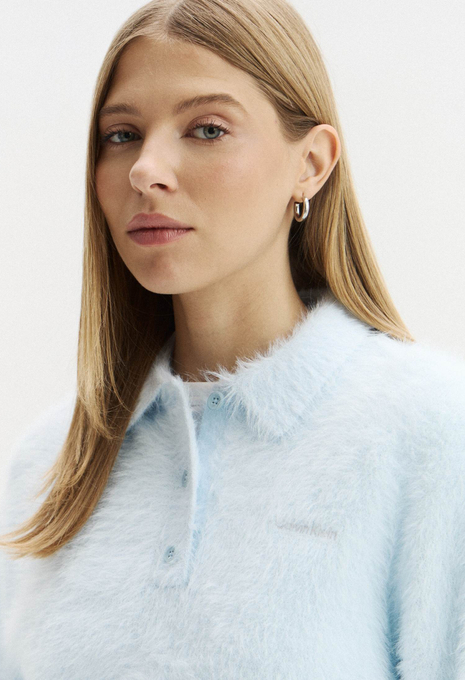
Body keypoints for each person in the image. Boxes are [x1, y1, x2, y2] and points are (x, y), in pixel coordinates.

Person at [1, 0, 465, 677]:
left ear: (311, 163)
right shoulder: (48, 466)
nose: (145, 169)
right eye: (121, 135)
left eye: (207, 129)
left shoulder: (429, 430)